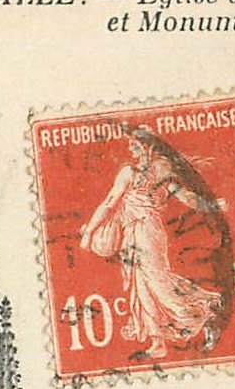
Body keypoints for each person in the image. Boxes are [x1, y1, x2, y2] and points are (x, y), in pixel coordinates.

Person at [80, 127, 225, 361]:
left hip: (146, 232)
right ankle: (157, 342)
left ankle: (203, 315)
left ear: (147, 146)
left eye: (135, 144)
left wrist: (89, 233)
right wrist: (213, 206)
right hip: (136, 233)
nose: (130, 148)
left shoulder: (138, 172)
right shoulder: (145, 172)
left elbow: (109, 203)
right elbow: (185, 197)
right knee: (143, 286)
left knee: (157, 284)